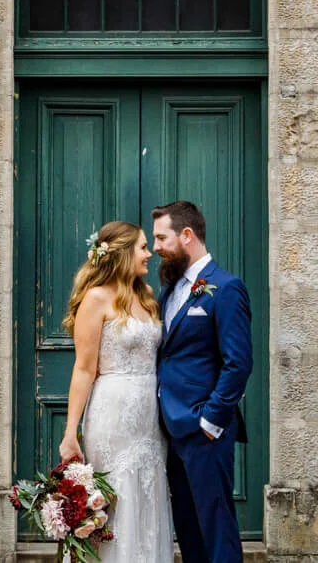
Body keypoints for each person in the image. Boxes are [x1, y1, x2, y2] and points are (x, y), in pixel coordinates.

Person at [60, 220, 174, 562]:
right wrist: (70, 432)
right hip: (113, 415)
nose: (149, 253)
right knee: (117, 499)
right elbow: (83, 368)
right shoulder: (96, 299)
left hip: (149, 419)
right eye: (142, 247)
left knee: (148, 494)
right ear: (123, 253)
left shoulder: (147, 297)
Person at [151, 201, 252, 563]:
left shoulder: (226, 288)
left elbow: (238, 362)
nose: (156, 247)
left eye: (162, 238)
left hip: (203, 429)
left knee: (216, 527)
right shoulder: (170, 289)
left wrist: (210, 420)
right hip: (171, 428)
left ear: (187, 235)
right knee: (189, 529)